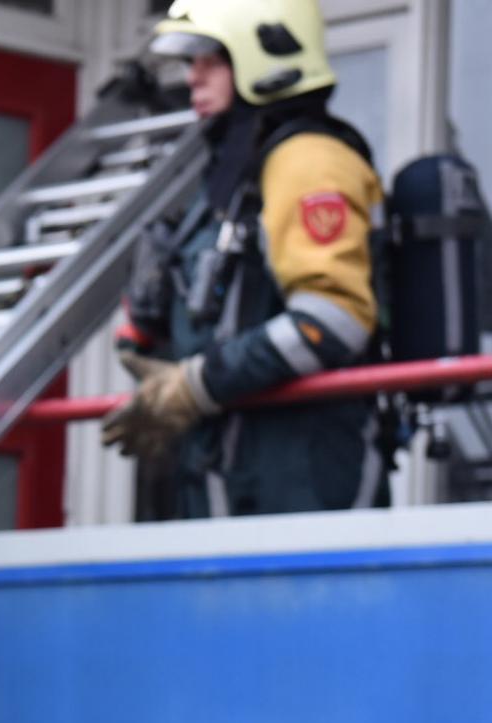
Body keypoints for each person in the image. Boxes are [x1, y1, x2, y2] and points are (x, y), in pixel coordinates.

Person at [101, 0, 385, 518]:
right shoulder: (238, 173)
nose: (193, 79)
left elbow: (334, 320)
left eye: (210, 60)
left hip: (305, 476)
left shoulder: (309, 161)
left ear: (265, 55)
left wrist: (194, 386)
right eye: (190, 64)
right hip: (233, 465)